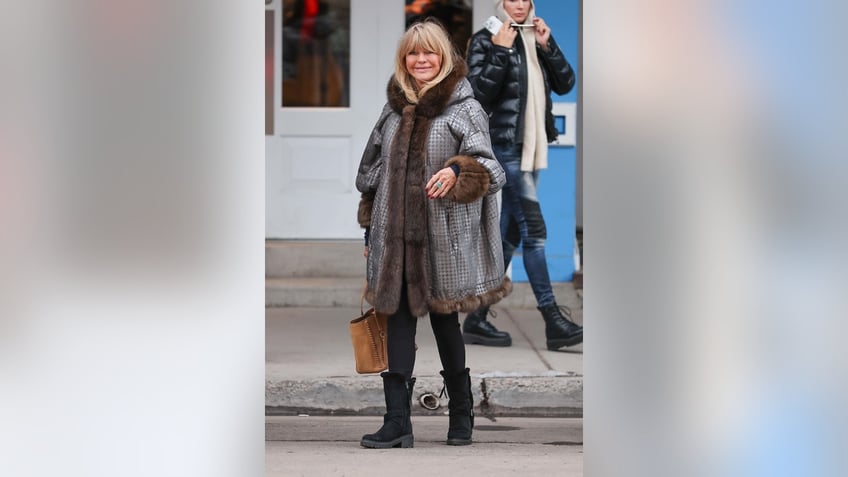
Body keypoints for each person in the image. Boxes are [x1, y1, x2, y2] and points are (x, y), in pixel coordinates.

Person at [355, 19, 511, 449]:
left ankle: (461, 414)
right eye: (412, 53)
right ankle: (396, 422)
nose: (421, 60)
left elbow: (493, 168)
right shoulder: (393, 108)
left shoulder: (464, 108)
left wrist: (458, 169)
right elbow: (370, 174)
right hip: (393, 240)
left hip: (443, 240)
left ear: (443, 58)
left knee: (446, 323)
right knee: (398, 322)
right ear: (403, 59)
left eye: (429, 53)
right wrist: (371, 231)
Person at [464, 0, 583, 350]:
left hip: (532, 150)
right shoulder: (486, 38)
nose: (518, 5)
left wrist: (549, 45)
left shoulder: (536, 35)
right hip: (506, 149)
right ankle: (553, 321)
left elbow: (566, 84)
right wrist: (500, 51)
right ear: (500, 2)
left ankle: (476, 317)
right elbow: (476, 95)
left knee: (511, 235)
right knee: (536, 232)